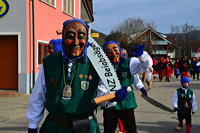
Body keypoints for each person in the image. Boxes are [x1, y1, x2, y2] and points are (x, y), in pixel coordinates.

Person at [27, 18, 107, 133]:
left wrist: (113, 98)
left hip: (85, 127)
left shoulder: (96, 64)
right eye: (70, 36)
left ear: (86, 38)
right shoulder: (50, 62)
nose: (75, 42)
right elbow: (38, 96)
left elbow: (102, 95)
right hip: (54, 127)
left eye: (81, 36)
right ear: (63, 38)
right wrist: (33, 124)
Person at [97, 41, 152, 133]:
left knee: (131, 130)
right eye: (109, 51)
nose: (113, 53)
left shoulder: (129, 62)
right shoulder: (102, 68)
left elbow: (145, 67)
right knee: (108, 130)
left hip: (127, 104)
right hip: (110, 107)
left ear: (119, 49)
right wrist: (110, 98)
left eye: (115, 50)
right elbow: (101, 89)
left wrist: (142, 56)